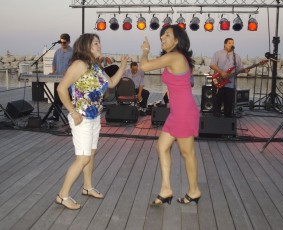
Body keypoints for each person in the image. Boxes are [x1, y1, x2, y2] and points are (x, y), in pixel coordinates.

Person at [55, 33, 128, 210]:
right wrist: (72, 112)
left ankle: (87, 187)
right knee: (83, 158)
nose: (99, 45)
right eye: (95, 43)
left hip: (95, 116)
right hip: (81, 118)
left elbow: (110, 83)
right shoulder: (79, 65)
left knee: (91, 154)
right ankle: (62, 195)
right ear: (86, 46)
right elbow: (61, 88)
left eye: (99, 43)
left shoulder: (95, 66)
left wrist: (123, 66)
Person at [140, 25, 201, 205]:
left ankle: (194, 190)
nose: (162, 38)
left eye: (167, 35)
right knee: (162, 147)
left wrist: (145, 51)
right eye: (162, 35)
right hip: (177, 112)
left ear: (177, 40)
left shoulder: (175, 57)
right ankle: (166, 189)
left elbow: (144, 66)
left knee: (187, 153)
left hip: (184, 113)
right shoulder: (173, 58)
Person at [209, 38, 249, 117]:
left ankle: (227, 120)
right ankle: (216, 119)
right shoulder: (218, 53)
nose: (231, 44)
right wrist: (221, 72)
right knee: (217, 102)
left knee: (229, 103)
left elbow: (240, 69)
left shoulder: (236, 56)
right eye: (229, 43)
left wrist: (244, 71)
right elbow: (212, 65)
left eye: (233, 43)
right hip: (218, 81)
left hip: (230, 84)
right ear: (225, 44)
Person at [48, 33, 73, 121]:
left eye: (64, 43)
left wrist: (68, 71)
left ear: (68, 42)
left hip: (68, 79)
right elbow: (54, 63)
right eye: (61, 42)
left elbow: (75, 65)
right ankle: (55, 116)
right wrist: (53, 71)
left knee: (70, 98)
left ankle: (73, 116)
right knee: (57, 98)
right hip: (58, 78)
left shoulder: (72, 52)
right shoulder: (57, 51)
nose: (62, 44)